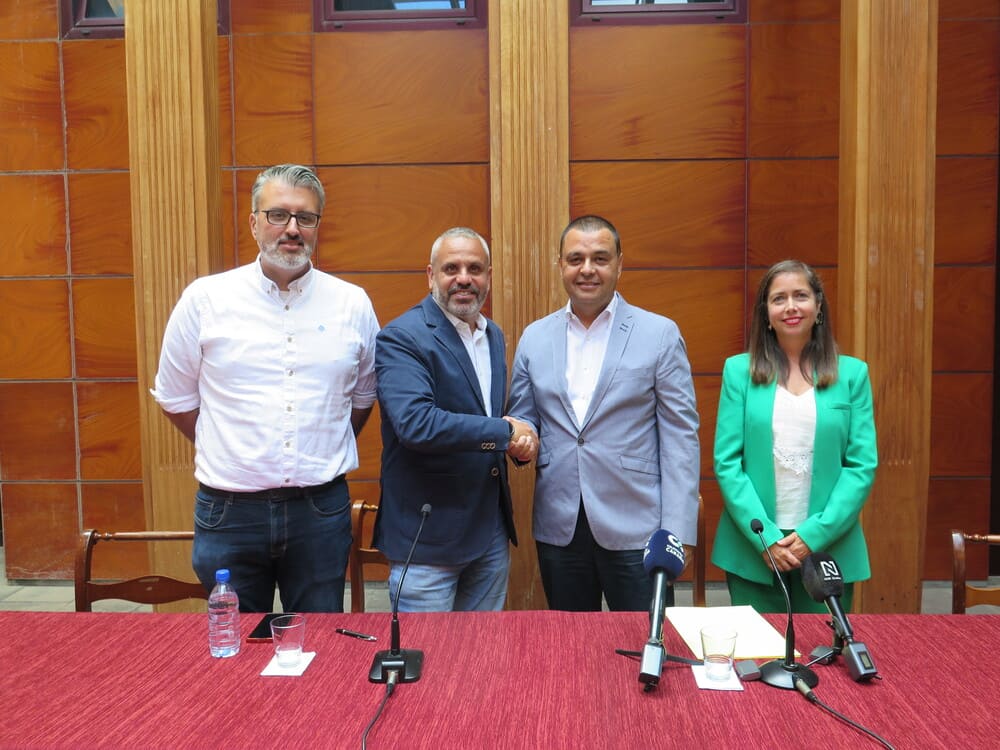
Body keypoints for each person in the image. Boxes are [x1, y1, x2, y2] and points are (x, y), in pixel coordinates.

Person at [151, 163, 379, 613]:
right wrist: (233, 448)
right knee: (233, 649)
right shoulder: (205, 299)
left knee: (320, 647)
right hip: (230, 512)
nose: (292, 229)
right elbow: (176, 399)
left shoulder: (352, 303)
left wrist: (318, 446)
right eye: (278, 215)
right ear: (254, 223)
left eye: (305, 218)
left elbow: (362, 399)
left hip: (320, 509)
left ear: (317, 227)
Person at [507, 215, 700, 612]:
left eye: (600, 258)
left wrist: (679, 532)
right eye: (576, 258)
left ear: (619, 264)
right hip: (560, 526)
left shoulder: (659, 333)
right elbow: (523, 416)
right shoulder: (534, 337)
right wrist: (520, 439)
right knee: (573, 651)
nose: (587, 269)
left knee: (645, 647)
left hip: (639, 526)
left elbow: (681, 437)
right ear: (560, 264)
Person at [373, 227, 537, 612]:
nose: (464, 278)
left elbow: (491, 416)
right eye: (452, 268)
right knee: (427, 665)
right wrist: (504, 432)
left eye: (475, 268)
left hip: (489, 536)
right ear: (431, 276)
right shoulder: (402, 337)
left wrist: (518, 442)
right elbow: (416, 423)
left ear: (489, 276)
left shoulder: (491, 334)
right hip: (428, 540)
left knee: (481, 660)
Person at [712, 259, 878, 613]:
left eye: (800, 296)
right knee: (757, 660)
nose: (790, 307)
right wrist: (767, 539)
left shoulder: (852, 374)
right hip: (753, 548)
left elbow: (861, 466)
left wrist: (811, 537)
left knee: (826, 658)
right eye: (778, 298)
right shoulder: (738, 371)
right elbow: (727, 464)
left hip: (829, 547)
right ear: (766, 313)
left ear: (818, 306)